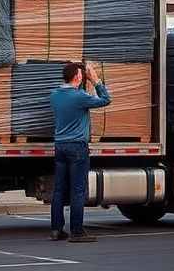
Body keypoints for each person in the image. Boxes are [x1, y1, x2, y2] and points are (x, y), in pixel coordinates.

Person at [50, 62, 111, 243]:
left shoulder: (54, 95)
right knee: (78, 190)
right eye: (81, 75)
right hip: (77, 147)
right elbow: (106, 99)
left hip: (60, 146)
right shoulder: (80, 97)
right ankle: (77, 231)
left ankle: (56, 229)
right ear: (77, 77)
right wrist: (95, 79)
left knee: (59, 189)